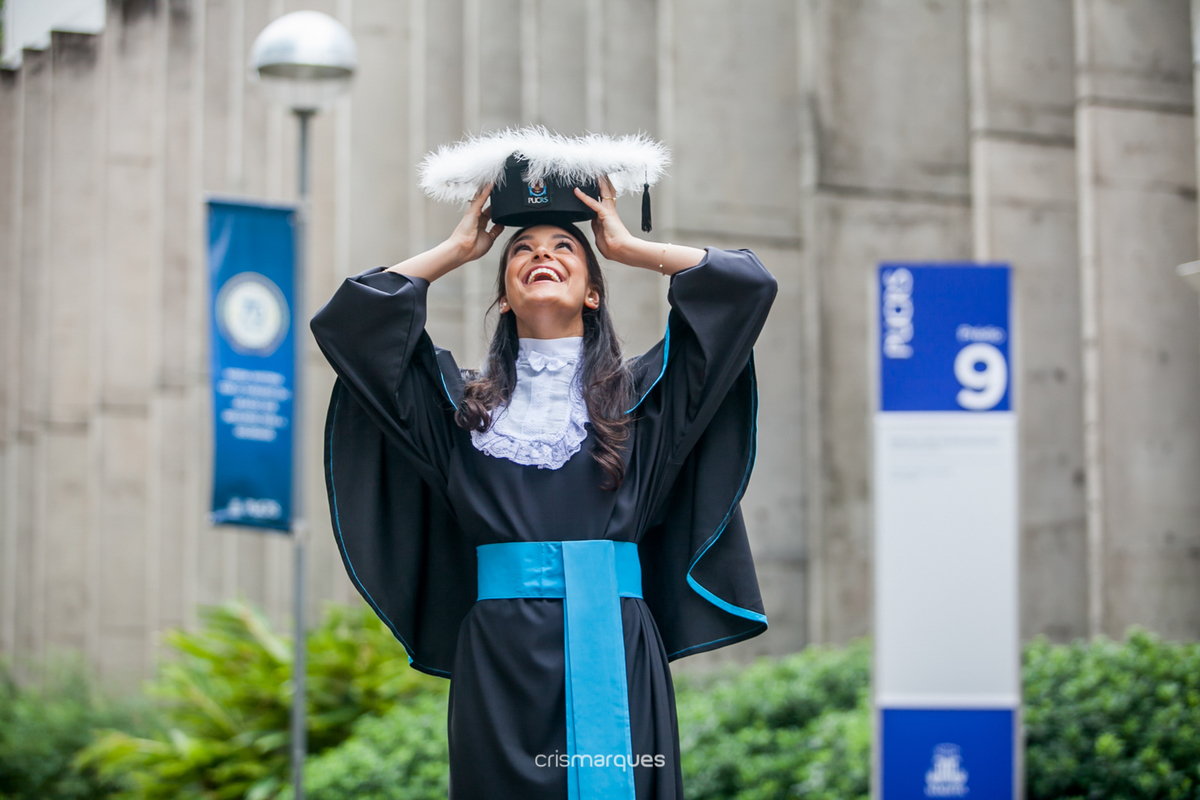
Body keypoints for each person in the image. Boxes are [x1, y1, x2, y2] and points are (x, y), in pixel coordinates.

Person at [310, 172, 777, 800]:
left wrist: (629, 246)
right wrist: (457, 250)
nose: (542, 256)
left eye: (565, 248)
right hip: (497, 658)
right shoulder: (456, 411)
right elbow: (352, 320)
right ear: (503, 295)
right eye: (523, 250)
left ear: (593, 292)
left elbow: (746, 288)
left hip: (613, 639)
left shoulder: (645, 405)